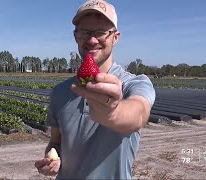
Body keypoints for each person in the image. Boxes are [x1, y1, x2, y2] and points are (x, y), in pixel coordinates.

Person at [35, 0, 155, 179]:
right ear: (76, 36)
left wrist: (113, 112)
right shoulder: (60, 92)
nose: (92, 40)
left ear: (115, 37)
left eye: (101, 32)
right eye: (85, 32)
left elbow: (138, 115)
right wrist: (52, 157)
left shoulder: (134, 84)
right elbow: (56, 141)